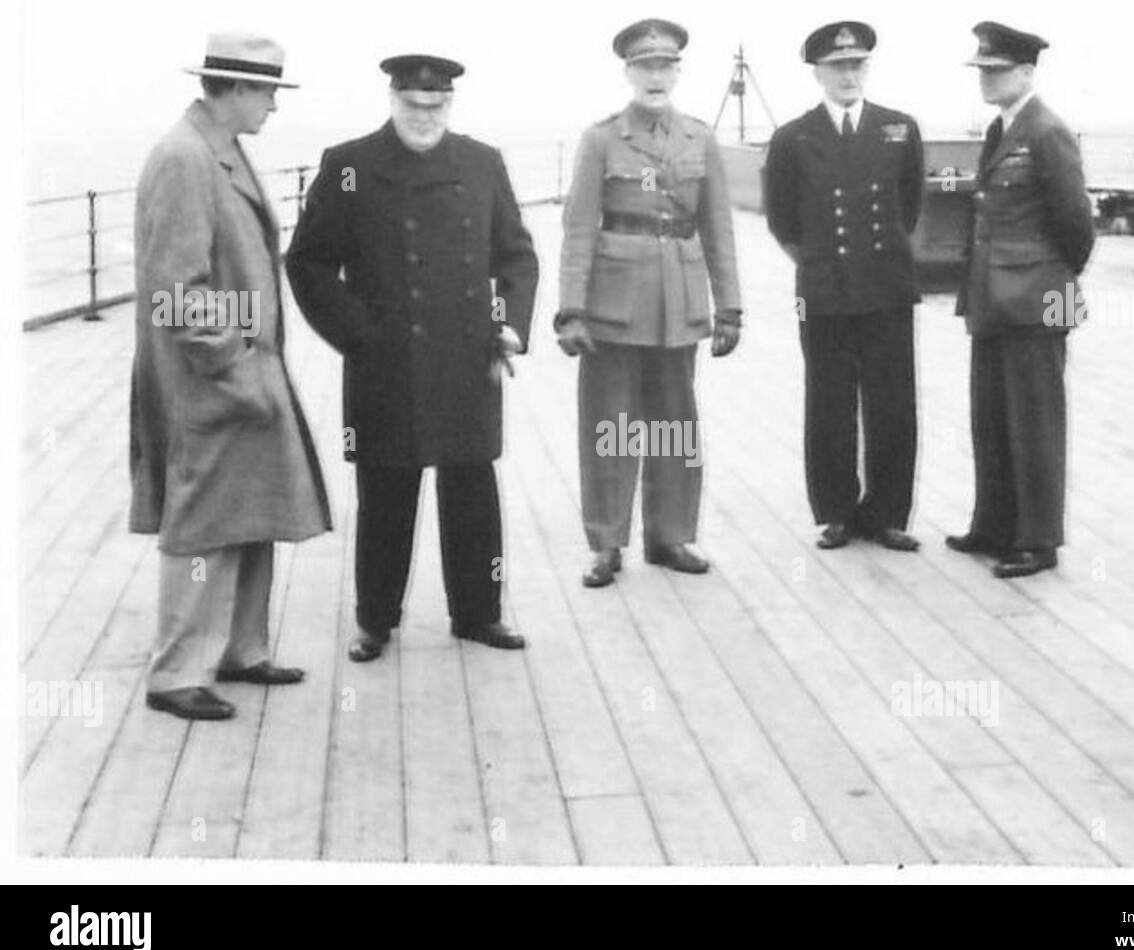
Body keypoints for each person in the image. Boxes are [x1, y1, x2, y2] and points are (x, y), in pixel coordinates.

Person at [287, 54, 538, 657]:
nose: (425, 115)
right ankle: (375, 620)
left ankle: (480, 614)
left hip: (467, 358)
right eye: (413, 105)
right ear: (393, 99)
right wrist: (357, 335)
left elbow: (516, 256)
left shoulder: (482, 163)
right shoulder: (349, 167)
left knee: (473, 490)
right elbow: (308, 261)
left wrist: (508, 325)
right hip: (383, 361)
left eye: (437, 105)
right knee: (385, 493)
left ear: (449, 103)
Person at [129, 33, 332, 721]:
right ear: (238, 90)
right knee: (203, 524)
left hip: (243, 369)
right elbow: (174, 290)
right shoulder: (185, 159)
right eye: (269, 92)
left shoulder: (215, 150)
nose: (273, 106)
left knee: (253, 511)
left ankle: (241, 650)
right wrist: (230, 364)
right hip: (212, 377)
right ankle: (176, 672)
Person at [556, 18, 743, 588]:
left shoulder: (698, 138)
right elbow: (579, 229)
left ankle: (669, 535)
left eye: (665, 67)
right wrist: (571, 310)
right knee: (613, 425)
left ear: (677, 73)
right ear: (629, 73)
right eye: (645, 67)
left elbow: (718, 229)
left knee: (672, 424)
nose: (655, 77)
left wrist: (729, 307)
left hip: (679, 305)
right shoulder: (601, 138)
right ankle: (608, 543)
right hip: (614, 306)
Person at [762, 21, 925, 553]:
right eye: (838, 67)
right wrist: (817, 263)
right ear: (818, 73)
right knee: (829, 403)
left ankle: (888, 513)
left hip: (887, 287)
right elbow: (782, 219)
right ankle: (835, 512)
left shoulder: (900, 127)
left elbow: (910, 204)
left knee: (893, 403)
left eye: (857, 65)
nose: (848, 75)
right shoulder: (793, 137)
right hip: (825, 289)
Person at [947, 21, 1095, 579]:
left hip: (1037, 298)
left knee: (1035, 420)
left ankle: (1037, 539)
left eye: (998, 71)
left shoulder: (1047, 131)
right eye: (983, 71)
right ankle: (993, 523)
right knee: (991, 415)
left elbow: (1076, 226)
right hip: (991, 298)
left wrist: (1049, 283)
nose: (987, 80)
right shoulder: (1000, 129)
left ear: (1027, 73)